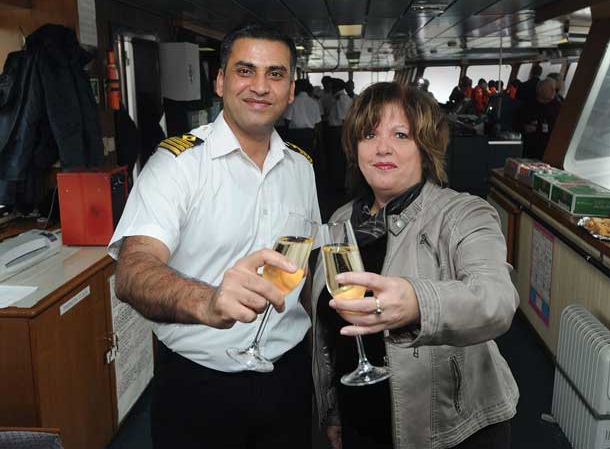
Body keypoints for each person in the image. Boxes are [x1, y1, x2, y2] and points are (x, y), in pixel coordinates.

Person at [108, 23, 321, 449]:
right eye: (245, 70)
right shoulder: (177, 165)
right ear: (220, 82)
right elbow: (132, 271)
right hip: (198, 386)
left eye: (275, 74)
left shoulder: (302, 167)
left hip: (289, 377)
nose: (260, 86)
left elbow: (307, 269)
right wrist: (208, 301)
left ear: (290, 90)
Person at [311, 82, 519, 449]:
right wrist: (333, 410)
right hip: (361, 420)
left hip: (452, 430)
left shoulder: (464, 213)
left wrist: (417, 303)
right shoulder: (340, 222)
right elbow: (329, 335)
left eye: (401, 135)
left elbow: (496, 300)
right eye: (369, 134)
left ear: (425, 148)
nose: (382, 147)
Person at [514, 78, 561, 160]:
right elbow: (516, 124)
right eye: (551, 88)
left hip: (549, 147)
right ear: (540, 90)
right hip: (529, 147)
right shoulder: (527, 106)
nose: (554, 91)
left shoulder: (557, 107)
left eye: (554, 89)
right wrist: (525, 128)